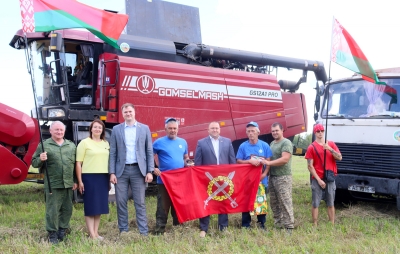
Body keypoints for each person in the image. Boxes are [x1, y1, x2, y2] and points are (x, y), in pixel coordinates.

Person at [109, 103, 154, 236]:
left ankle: (143, 231)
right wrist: (112, 172)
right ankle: (123, 230)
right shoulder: (116, 130)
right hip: (120, 171)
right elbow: (113, 152)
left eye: (130, 111)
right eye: (125, 112)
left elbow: (149, 151)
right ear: (122, 114)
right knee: (121, 202)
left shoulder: (144, 128)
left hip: (138, 170)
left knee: (140, 202)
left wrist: (149, 171)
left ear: (134, 112)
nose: (128, 114)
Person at [31, 121, 77, 244]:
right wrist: (40, 159)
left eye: (61, 130)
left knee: (67, 209)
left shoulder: (71, 146)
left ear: (64, 131)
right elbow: (34, 162)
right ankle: (52, 234)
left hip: (68, 183)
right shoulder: (44, 145)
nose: (59, 132)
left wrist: (75, 180)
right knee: (52, 210)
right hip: (53, 184)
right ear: (50, 131)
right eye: (56, 130)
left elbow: (75, 165)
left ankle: (62, 231)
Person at [195, 121, 236, 237]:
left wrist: (232, 176)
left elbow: (232, 160)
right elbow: (198, 163)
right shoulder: (201, 143)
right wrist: (200, 178)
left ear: (220, 129)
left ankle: (223, 227)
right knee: (206, 202)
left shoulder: (227, 142)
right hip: (207, 179)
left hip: (224, 178)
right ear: (208, 130)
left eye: (217, 128)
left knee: (223, 201)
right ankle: (204, 228)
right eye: (212, 128)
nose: (215, 130)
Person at [153, 118, 189, 235]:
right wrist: (153, 168)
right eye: (170, 128)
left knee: (178, 203)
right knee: (163, 205)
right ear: (165, 129)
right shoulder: (158, 142)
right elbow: (148, 156)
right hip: (164, 180)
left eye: (174, 128)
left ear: (178, 129)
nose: (172, 130)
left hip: (179, 180)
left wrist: (188, 163)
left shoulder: (183, 142)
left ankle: (177, 227)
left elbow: (185, 157)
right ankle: (159, 230)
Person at [76, 119, 110, 240]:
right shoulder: (84, 143)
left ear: (102, 130)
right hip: (89, 177)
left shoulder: (106, 143)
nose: (97, 129)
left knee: (99, 206)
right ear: (91, 129)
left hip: (102, 177)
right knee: (90, 207)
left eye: (100, 128)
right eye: (95, 127)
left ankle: (96, 233)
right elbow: (78, 163)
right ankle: (91, 234)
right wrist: (80, 181)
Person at [236, 121, 272, 229]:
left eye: (253, 131)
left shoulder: (264, 145)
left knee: (261, 199)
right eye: (248, 131)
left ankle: (261, 223)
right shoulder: (243, 146)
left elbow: (268, 162)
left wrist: (265, 174)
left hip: (261, 179)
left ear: (258, 132)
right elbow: (238, 161)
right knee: (246, 200)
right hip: (247, 179)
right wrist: (249, 162)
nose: (251, 133)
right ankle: (246, 224)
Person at [305, 124, 342, 226]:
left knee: (330, 202)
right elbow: (310, 166)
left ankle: (332, 223)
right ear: (315, 133)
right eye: (318, 131)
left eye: (321, 130)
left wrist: (329, 148)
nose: (320, 133)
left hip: (330, 177)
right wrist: (319, 180)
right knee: (315, 203)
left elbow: (339, 157)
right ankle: (315, 224)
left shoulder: (331, 144)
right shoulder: (311, 147)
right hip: (317, 178)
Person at [264, 122, 294, 232]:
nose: (275, 133)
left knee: (285, 202)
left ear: (282, 130)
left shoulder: (286, 143)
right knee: (274, 202)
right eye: (273, 131)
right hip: (272, 176)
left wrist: (269, 164)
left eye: (277, 130)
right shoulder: (272, 143)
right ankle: (278, 223)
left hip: (283, 177)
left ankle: (289, 226)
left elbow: (285, 159)